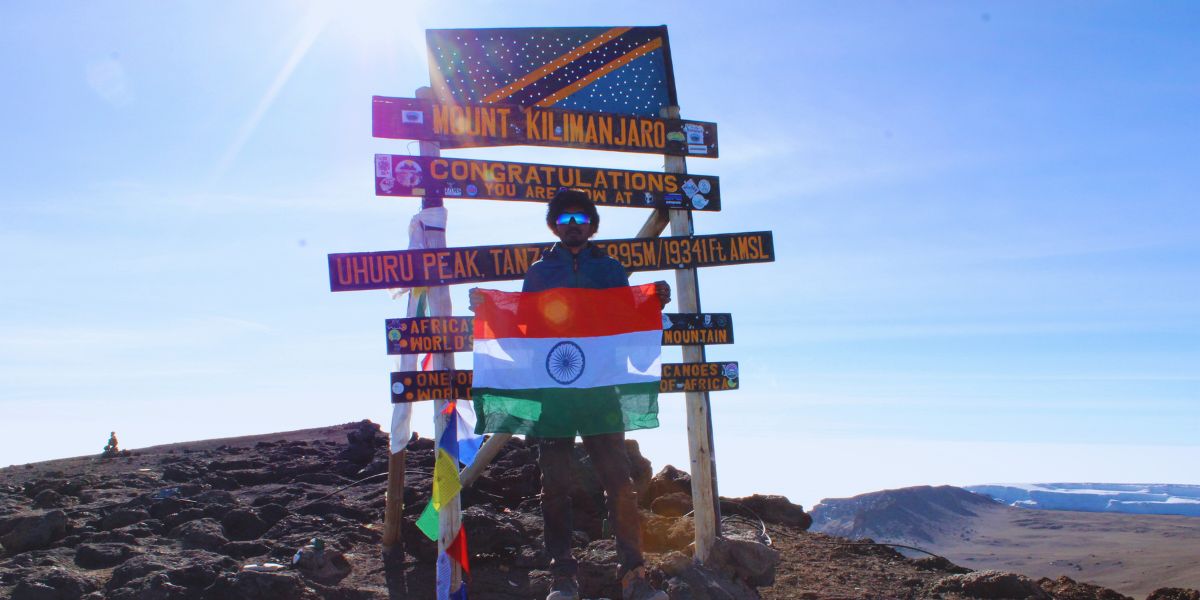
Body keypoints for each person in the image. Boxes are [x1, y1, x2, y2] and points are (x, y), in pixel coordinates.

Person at [471, 188, 670, 600]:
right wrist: (488, 312)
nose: (574, 227)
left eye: (582, 220)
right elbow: (524, 334)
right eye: (566, 220)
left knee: (619, 484)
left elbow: (628, 330)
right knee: (556, 487)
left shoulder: (610, 270)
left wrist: (653, 305)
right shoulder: (540, 272)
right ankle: (563, 578)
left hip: (600, 393)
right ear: (554, 225)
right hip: (554, 395)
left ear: (593, 225)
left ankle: (633, 575)